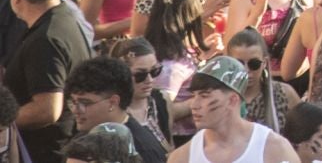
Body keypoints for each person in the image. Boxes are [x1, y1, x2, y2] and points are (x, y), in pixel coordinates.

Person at [4, 0, 90, 162]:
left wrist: (3, 121)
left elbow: (47, 110)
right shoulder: (65, 19)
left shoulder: (46, 39)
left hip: (46, 152)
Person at [166, 57, 301, 163]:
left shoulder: (274, 149)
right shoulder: (183, 157)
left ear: (232, 100)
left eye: (204, 96)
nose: (194, 105)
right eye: (194, 96)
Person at [67, 57, 168, 163]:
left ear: (113, 102)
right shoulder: (89, 133)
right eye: (73, 102)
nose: (75, 110)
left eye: (85, 103)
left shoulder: (142, 151)